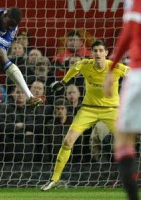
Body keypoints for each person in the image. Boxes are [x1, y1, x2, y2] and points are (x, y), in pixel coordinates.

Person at [41, 40, 129, 191]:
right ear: (92, 53)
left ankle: (130, 178)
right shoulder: (85, 64)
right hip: (88, 109)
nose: (98, 54)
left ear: (106, 53)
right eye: (95, 51)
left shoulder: (115, 67)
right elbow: (75, 68)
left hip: (112, 110)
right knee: (68, 141)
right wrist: (63, 82)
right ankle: (54, 179)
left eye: (101, 50)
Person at [104, 0, 141, 199]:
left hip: (138, 74)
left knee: (123, 139)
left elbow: (128, 34)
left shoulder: (135, 4)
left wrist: (112, 68)